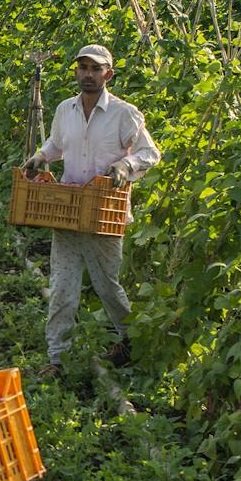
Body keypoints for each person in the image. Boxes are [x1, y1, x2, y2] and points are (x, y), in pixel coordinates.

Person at [21, 43, 160, 377]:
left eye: (95, 69)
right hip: (67, 210)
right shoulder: (64, 110)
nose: (88, 74)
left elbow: (150, 153)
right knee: (62, 287)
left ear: (108, 74)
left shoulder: (124, 114)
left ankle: (129, 344)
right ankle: (56, 358)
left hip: (103, 213)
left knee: (107, 285)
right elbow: (57, 145)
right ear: (76, 72)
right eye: (82, 68)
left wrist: (126, 166)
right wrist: (42, 157)